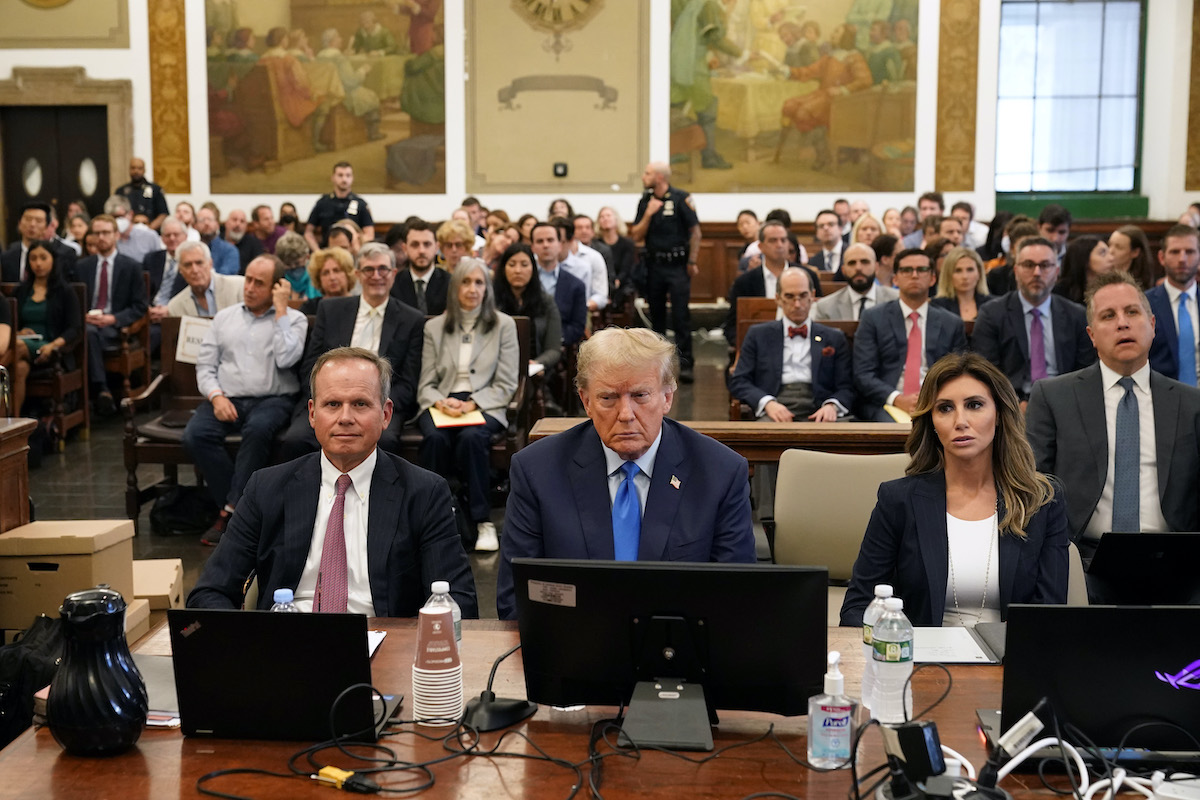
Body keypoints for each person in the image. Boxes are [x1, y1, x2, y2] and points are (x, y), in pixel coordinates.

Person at [187, 347, 478, 617]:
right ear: (313, 414)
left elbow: (459, 602)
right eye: (333, 404)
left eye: (360, 404)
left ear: (386, 414)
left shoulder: (424, 493)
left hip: (384, 643)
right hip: (286, 641)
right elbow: (209, 593)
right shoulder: (266, 488)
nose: (345, 417)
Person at [496, 326, 757, 619]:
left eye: (640, 395)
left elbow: (737, 600)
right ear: (586, 401)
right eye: (608, 398)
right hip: (573, 641)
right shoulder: (537, 471)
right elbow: (516, 600)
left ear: (667, 397)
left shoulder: (720, 472)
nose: (625, 414)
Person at [840, 352, 1069, 627]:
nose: (960, 421)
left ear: (999, 414)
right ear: (932, 422)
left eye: (974, 405)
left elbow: (1049, 615)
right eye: (945, 408)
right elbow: (857, 608)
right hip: (920, 652)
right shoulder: (898, 500)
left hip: (1012, 652)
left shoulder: (1042, 501)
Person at [1026, 270, 1200, 560]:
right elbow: (1034, 485)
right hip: (1081, 559)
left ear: (1152, 325)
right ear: (1092, 335)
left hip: (1174, 559)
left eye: (1132, 312)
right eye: (1108, 316)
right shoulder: (1053, 397)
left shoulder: (1191, 403)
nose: (1122, 323)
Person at [183, 255, 309, 546]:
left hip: (273, 399)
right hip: (228, 397)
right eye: (248, 279)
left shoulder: (294, 319)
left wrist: (281, 310)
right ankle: (242, 509)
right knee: (195, 435)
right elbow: (205, 366)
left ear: (277, 287)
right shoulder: (224, 318)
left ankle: (230, 513)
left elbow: (286, 358)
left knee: (258, 430)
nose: (249, 287)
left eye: (259, 283)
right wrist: (216, 397)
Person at [282, 242, 425, 459]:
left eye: (383, 269)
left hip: (377, 403)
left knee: (385, 440)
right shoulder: (332, 310)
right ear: (358, 274)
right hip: (330, 399)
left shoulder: (411, 319)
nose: (376, 276)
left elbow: (408, 382)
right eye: (369, 269)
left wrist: (374, 404)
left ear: (393, 273)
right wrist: (328, 401)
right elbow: (311, 366)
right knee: (296, 439)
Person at [417, 258, 519, 553]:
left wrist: (472, 404)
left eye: (479, 282)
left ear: (487, 288)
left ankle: (481, 520)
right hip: (442, 401)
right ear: (454, 288)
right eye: (465, 282)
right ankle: (431, 519)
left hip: (486, 402)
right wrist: (441, 402)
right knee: (435, 438)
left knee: (472, 437)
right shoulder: (434, 327)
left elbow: (506, 383)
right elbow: (426, 383)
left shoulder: (503, 325)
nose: (472, 289)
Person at [972, 237, 1094, 402]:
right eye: (1029, 265)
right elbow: (985, 372)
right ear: (1016, 271)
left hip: (1065, 399)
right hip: (1011, 402)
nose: (1037, 273)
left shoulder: (1077, 315)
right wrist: (1013, 404)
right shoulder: (992, 314)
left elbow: (1085, 372)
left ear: (1056, 272)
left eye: (1045, 265)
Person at [853, 248, 968, 421]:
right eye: (907, 270)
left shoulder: (951, 323)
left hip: (938, 401)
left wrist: (934, 398)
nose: (914, 275)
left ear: (933, 278)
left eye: (921, 270)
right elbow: (863, 374)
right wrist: (897, 399)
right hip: (888, 403)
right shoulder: (873, 318)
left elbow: (960, 372)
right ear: (895, 279)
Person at [729, 267, 853, 422]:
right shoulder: (758, 335)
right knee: (763, 433)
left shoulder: (834, 337)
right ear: (778, 299)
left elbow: (847, 386)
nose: (797, 304)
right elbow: (739, 381)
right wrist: (767, 403)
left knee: (848, 433)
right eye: (789, 296)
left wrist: (832, 405)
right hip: (775, 406)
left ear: (812, 296)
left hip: (820, 407)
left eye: (803, 296)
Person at [630, 162, 701, 382]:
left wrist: (692, 260)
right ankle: (657, 365)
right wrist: (649, 213)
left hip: (678, 265)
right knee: (657, 317)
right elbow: (636, 235)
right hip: (654, 266)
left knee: (681, 317)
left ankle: (686, 364)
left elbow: (696, 232)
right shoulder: (645, 201)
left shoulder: (681, 198)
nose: (644, 177)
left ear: (660, 177)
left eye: (647, 173)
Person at [76, 215, 149, 415]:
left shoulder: (131, 266)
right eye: (97, 233)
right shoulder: (82, 266)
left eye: (106, 232)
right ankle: (102, 390)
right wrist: (84, 316)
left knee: (90, 336)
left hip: (115, 327)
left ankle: (99, 390)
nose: (101, 237)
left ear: (116, 235)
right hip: (88, 324)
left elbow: (140, 306)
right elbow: (74, 301)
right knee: (89, 333)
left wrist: (114, 319)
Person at [11, 241, 81, 417]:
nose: (38, 263)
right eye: (33, 258)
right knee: (19, 368)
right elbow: (10, 324)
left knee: (16, 347)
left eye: (43, 258)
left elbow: (74, 328)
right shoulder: (21, 290)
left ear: (53, 260)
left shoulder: (65, 291)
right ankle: (12, 423)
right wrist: (18, 333)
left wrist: (53, 345)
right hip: (22, 346)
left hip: (51, 348)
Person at [725, 221, 823, 347]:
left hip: (804, 342)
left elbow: (821, 315)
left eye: (783, 240)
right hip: (760, 345)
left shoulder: (807, 276)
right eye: (773, 240)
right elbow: (732, 326)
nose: (779, 245)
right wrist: (748, 346)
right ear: (760, 246)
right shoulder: (745, 282)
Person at [493, 242, 562, 369]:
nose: (518, 271)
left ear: (533, 269)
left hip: (534, 369)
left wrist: (538, 363)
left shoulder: (545, 301)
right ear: (503, 269)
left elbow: (554, 349)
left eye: (524, 265)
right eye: (512, 265)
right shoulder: (491, 301)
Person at [1147, 224, 1200, 385]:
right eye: (1175, 252)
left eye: (1189, 252)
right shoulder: (1144, 304)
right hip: (1162, 393)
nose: (1182, 259)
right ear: (1161, 257)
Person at [531, 221, 587, 347]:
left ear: (560, 245)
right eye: (540, 241)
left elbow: (577, 326)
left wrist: (554, 340)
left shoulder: (576, 285)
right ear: (532, 247)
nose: (545, 245)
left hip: (561, 345)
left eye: (550, 240)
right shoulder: (525, 280)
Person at [813, 242, 899, 321]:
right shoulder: (826, 307)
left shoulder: (897, 300)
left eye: (865, 262)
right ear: (843, 270)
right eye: (852, 263)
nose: (858, 268)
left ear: (876, 267)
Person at [305, 162, 376, 250]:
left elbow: (369, 234)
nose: (344, 179)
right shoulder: (323, 203)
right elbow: (308, 232)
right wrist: (317, 251)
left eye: (348, 175)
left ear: (352, 178)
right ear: (333, 178)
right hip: (328, 251)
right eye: (340, 175)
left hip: (352, 252)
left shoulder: (361, 204)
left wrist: (356, 245)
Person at [166, 241, 244, 318]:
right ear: (180, 270)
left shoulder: (239, 287)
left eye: (199, 263)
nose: (195, 270)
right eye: (188, 265)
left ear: (210, 264)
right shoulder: (175, 306)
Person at [1, 202, 76, 283]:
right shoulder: (7, 256)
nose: (32, 224)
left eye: (38, 221)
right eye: (28, 219)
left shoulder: (64, 254)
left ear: (47, 227)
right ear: (19, 223)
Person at [392, 218, 450, 315]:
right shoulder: (394, 284)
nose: (421, 251)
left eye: (427, 244)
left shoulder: (450, 283)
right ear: (405, 249)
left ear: (436, 247)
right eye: (415, 245)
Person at [931, 247, 992, 322]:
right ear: (948, 274)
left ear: (979, 273)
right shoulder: (936, 306)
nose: (965, 276)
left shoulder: (993, 305)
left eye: (970, 270)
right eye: (958, 271)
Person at [103, 194, 164, 265]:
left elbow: (159, 263)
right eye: (112, 217)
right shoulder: (105, 238)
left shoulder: (149, 236)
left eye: (120, 216)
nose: (116, 221)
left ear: (131, 214)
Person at [596, 206, 638, 308]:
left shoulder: (627, 244)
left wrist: (617, 282)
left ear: (616, 219)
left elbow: (626, 268)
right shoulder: (595, 244)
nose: (605, 219)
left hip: (621, 283)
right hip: (600, 282)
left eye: (608, 215)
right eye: (602, 217)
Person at [1054, 236, 1114, 305]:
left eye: (1110, 253)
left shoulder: (1111, 288)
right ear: (1084, 259)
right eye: (1102, 253)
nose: (1111, 258)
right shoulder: (1059, 292)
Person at [114, 157, 168, 231]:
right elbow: (115, 214)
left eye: (139, 168)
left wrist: (148, 230)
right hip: (127, 232)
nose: (136, 171)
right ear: (129, 169)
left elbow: (163, 214)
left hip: (150, 230)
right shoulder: (121, 191)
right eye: (133, 168)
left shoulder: (155, 190)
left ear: (144, 170)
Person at [300, 246, 356, 315]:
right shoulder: (310, 308)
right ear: (319, 279)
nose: (332, 277)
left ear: (348, 274)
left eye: (337, 271)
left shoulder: (359, 305)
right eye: (325, 273)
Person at [1107, 224, 1156, 290]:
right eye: (1109, 245)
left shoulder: (1142, 288)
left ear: (1135, 252)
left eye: (1118, 247)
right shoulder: (1102, 275)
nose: (1110, 251)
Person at [223, 208, 264, 272]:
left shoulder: (254, 244)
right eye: (234, 220)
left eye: (242, 221)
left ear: (246, 226)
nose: (238, 224)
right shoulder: (216, 241)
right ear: (226, 223)